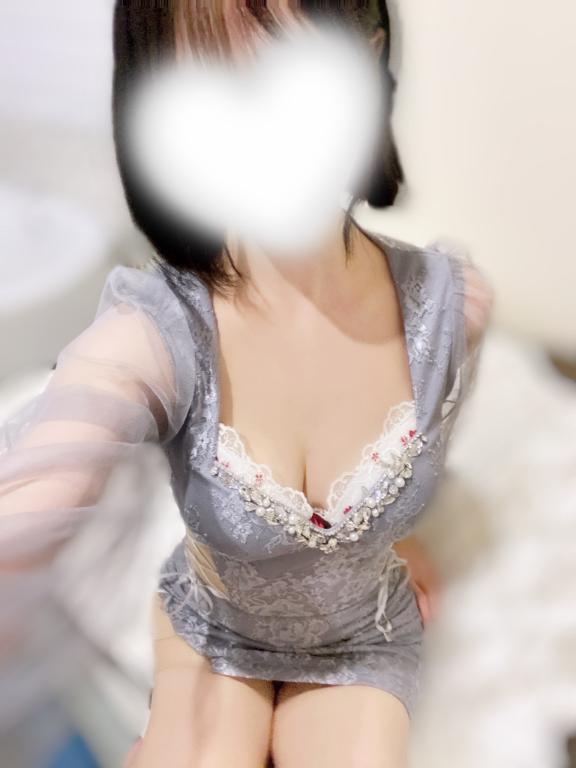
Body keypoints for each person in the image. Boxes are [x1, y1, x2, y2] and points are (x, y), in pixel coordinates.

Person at [0, 2, 494, 767]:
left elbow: (434, 446)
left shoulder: (451, 307)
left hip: (364, 631)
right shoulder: (155, 332)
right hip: (215, 622)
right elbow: (30, 507)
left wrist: (404, 537)